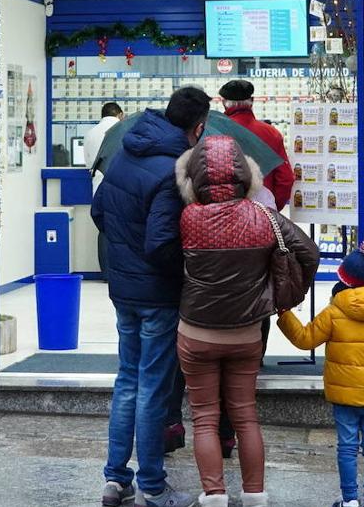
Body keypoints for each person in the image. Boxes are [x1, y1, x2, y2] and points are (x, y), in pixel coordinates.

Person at [174, 135, 320, 507]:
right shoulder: (265, 216)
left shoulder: (188, 218)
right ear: (247, 176)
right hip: (246, 334)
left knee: (205, 418)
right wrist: (277, 294)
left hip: (196, 333)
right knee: (246, 416)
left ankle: (214, 495)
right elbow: (310, 254)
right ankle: (254, 493)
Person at [91, 87, 211, 507]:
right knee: (153, 387)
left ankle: (116, 479)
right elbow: (162, 242)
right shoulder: (174, 169)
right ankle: (154, 487)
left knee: (127, 379)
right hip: (157, 294)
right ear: (198, 127)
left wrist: (125, 254)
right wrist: (187, 269)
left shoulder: (126, 150)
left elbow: (99, 212)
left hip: (123, 288)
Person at [277, 238, 364, 507]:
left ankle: (350, 500)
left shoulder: (334, 313)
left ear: (346, 282)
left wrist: (284, 314)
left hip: (343, 397)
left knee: (347, 448)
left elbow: (304, 340)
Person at [218, 80, 295, 210]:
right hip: (262, 211)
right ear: (252, 101)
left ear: (224, 103)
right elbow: (285, 179)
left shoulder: (216, 133)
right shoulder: (272, 133)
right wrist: (272, 207)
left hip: (226, 211)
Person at [85, 101, 124, 279]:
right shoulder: (122, 129)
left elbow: (88, 163)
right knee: (122, 228)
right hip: (120, 182)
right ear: (120, 114)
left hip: (98, 182)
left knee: (103, 228)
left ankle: (106, 272)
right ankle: (119, 270)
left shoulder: (90, 133)